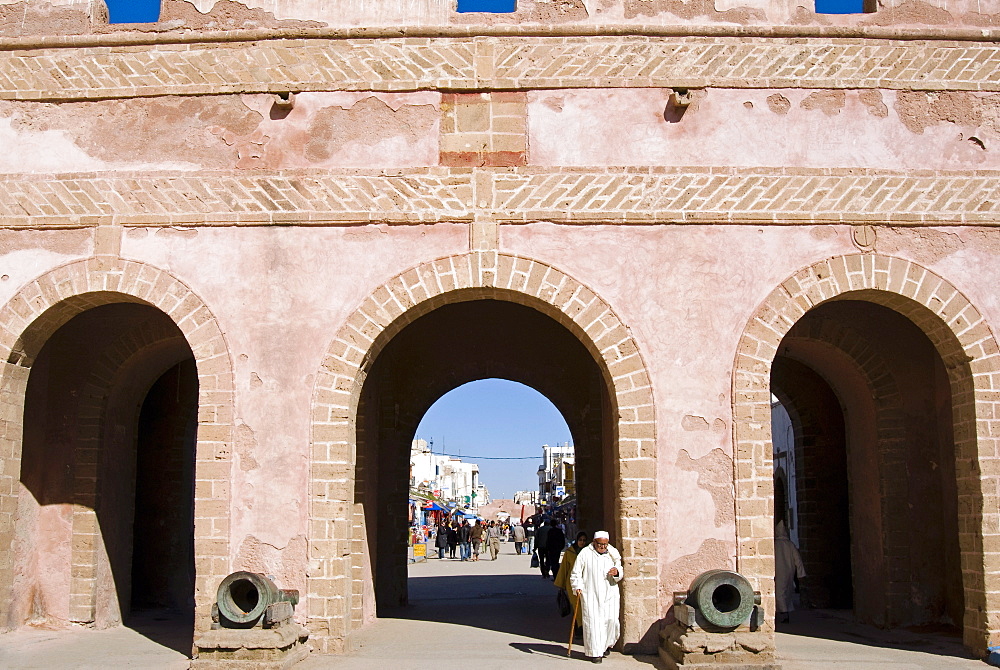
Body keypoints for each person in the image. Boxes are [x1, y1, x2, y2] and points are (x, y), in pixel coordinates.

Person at [570, 531, 623, 664]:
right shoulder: (585, 554)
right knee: (594, 624)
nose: (602, 547)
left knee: (611, 621)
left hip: (609, 593)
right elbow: (576, 573)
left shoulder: (612, 554)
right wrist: (577, 586)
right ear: (594, 542)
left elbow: (619, 568)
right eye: (600, 544)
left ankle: (605, 646)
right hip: (591, 593)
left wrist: (616, 572)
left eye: (605, 544)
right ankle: (595, 653)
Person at [555, 531, 589, 637]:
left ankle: (584, 628)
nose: (582, 542)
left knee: (585, 607)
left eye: (584, 540)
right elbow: (564, 568)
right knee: (576, 606)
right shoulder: (570, 552)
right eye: (580, 540)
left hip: (586, 582)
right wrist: (561, 584)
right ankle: (579, 629)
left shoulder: (588, 553)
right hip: (573, 583)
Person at [774, 520, 805, 623]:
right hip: (789, 571)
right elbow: (798, 559)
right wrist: (800, 573)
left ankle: (784, 613)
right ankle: (784, 611)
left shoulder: (775, 545)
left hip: (778, 571)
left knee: (779, 592)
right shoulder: (790, 544)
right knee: (786, 591)